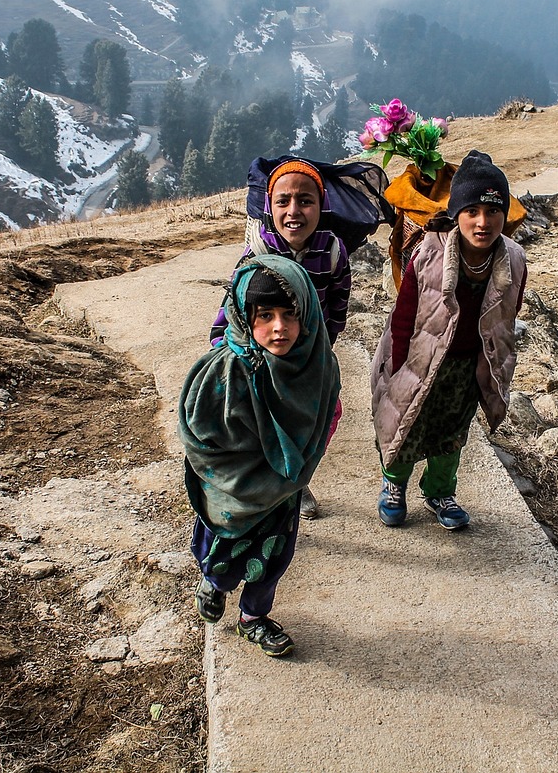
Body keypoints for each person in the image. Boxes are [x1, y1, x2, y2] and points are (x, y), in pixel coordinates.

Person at [181, 255, 341, 657]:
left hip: (283, 491)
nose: (279, 327)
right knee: (221, 551)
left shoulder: (317, 367)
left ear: (307, 312)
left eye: (290, 314)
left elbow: (326, 417)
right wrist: (245, 466)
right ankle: (214, 585)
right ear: (242, 316)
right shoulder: (225, 370)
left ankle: (253, 617)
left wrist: (296, 463)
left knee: (272, 559)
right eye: (264, 315)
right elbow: (202, 436)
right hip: (232, 492)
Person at [370, 150, 527, 530]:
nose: (483, 221)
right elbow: (404, 313)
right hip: (420, 359)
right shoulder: (430, 251)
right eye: (472, 211)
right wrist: (398, 364)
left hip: (465, 368)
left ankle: (440, 491)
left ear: (504, 215)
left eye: (493, 211)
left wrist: (496, 369)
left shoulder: (514, 260)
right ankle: (394, 485)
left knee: (451, 435)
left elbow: (507, 318)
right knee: (406, 424)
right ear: (456, 214)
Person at [209, 159, 351, 519]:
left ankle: (296, 479)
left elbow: (338, 303)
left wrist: (321, 350)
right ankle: (262, 488)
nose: (294, 211)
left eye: (306, 201)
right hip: (262, 359)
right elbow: (233, 308)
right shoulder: (258, 253)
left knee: (321, 416)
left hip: (307, 359)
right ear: (269, 207)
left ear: (322, 205)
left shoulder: (332, 252)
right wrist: (223, 351)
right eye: (283, 201)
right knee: (265, 424)